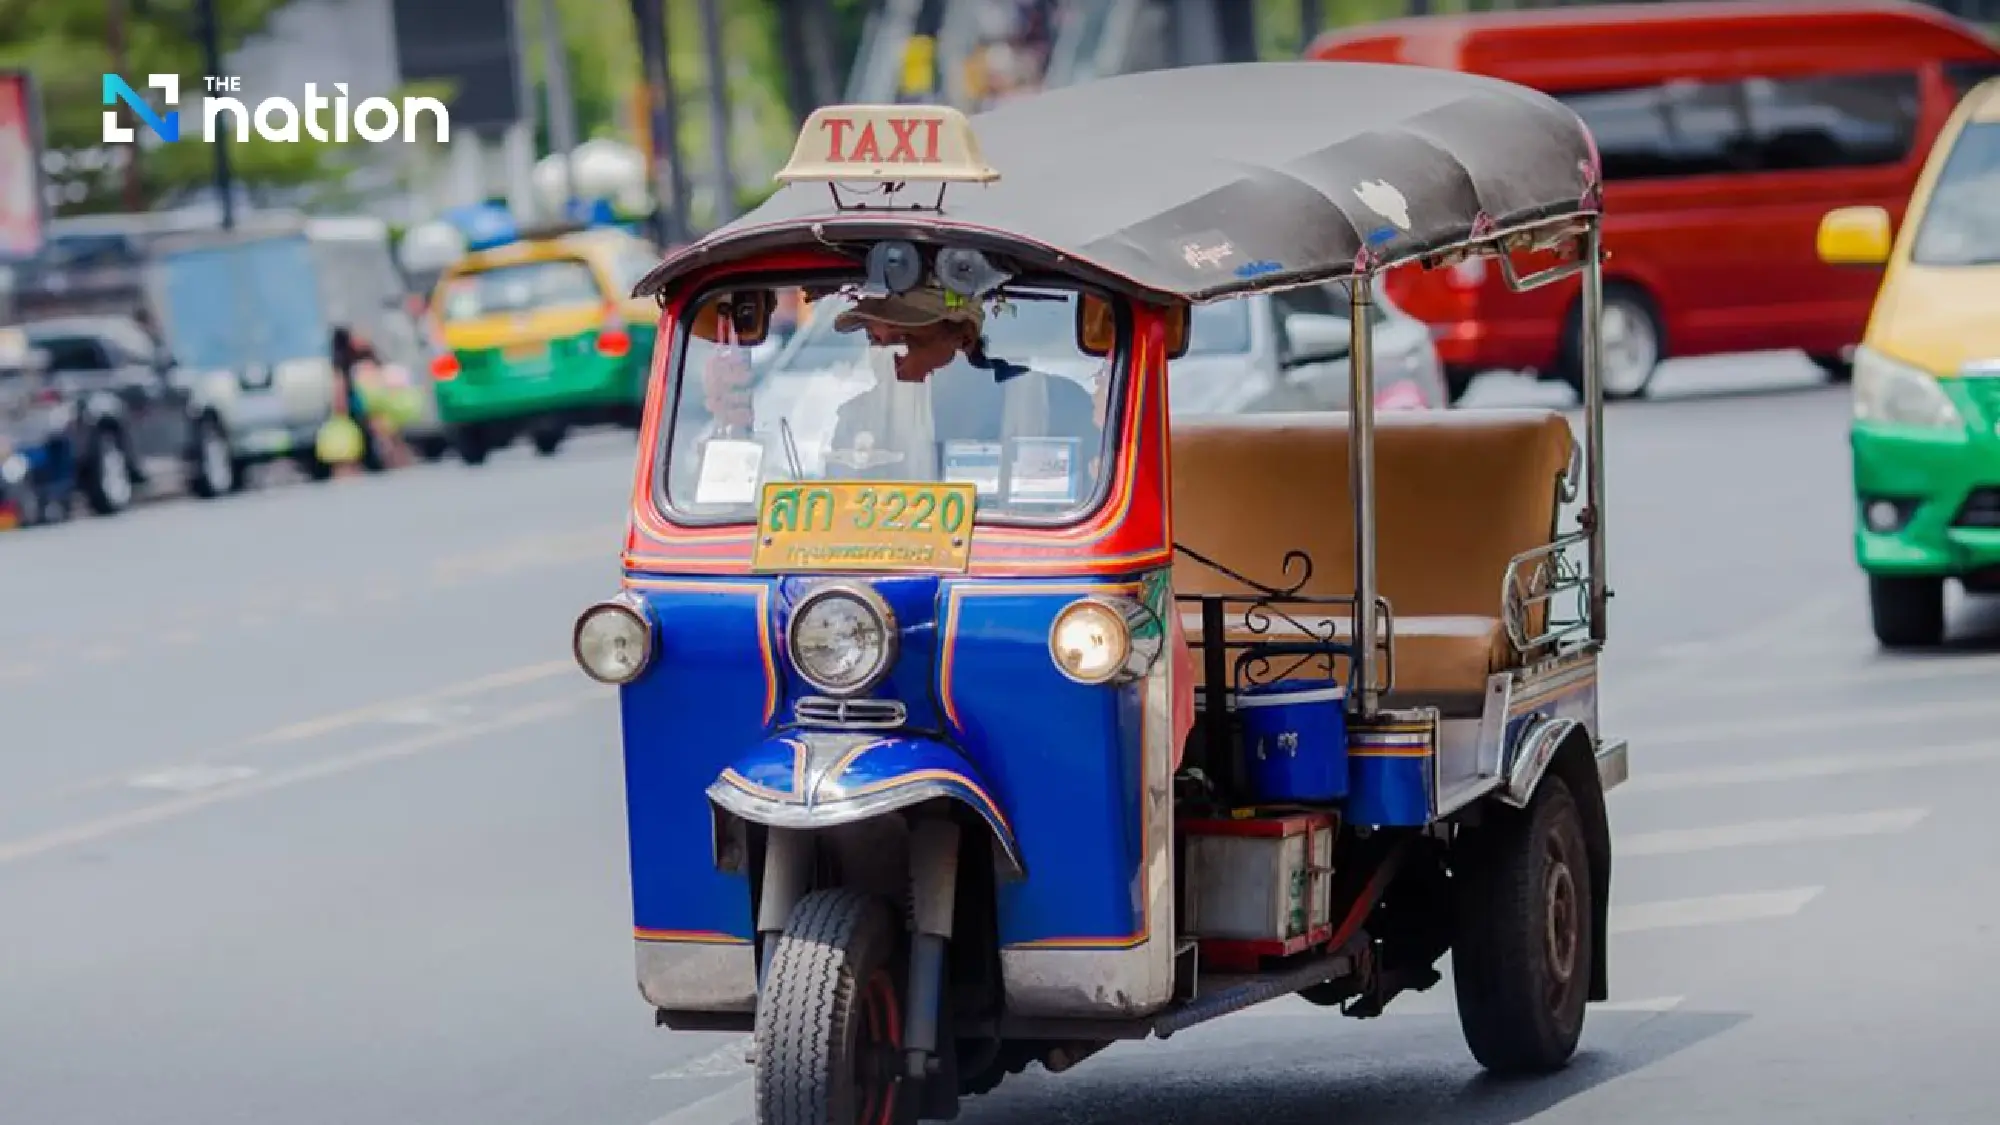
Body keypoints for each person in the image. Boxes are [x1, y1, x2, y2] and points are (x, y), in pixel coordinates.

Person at [700, 286, 1098, 502]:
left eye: (905, 341)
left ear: (964, 338)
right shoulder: (857, 418)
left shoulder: (1057, 403)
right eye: (875, 341)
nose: (887, 359)